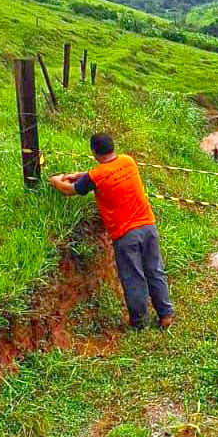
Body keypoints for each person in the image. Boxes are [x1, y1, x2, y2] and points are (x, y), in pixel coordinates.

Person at [49, 133, 174, 330]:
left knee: (133, 278)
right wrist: (82, 175)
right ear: (112, 147)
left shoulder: (96, 176)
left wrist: (55, 180)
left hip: (126, 234)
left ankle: (140, 323)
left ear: (94, 152)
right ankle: (165, 315)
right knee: (154, 270)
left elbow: (70, 190)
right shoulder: (128, 161)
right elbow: (104, 174)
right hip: (148, 226)